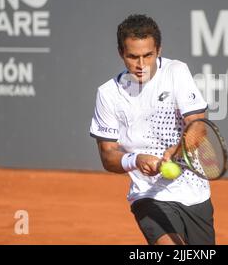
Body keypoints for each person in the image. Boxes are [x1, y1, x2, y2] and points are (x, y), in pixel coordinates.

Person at [89, 14, 214, 245]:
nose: (141, 65)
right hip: (148, 195)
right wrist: (136, 160)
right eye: (133, 57)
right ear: (121, 53)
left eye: (148, 55)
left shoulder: (176, 71)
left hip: (194, 193)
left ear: (158, 50)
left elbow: (198, 127)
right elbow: (108, 156)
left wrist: (176, 153)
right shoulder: (107, 94)